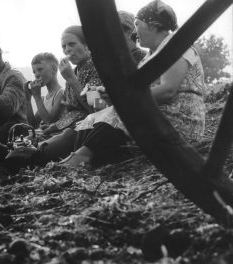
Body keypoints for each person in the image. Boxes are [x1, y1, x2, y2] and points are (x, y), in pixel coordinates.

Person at [43, 0, 206, 168]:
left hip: (180, 118)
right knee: (100, 116)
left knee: (113, 113)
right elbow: (127, 96)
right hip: (157, 114)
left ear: (154, 25)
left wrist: (120, 98)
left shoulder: (176, 46)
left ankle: (81, 156)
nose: (135, 32)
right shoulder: (149, 56)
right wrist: (109, 96)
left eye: (137, 24)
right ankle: (81, 156)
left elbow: (168, 90)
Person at [42, 25, 103, 136]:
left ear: (86, 45)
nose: (67, 49)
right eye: (64, 46)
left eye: (72, 44)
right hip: (68, 128)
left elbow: (96, 108)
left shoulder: (97, 67)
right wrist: (57, 124)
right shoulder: (74, 71)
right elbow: (68, 108)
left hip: (86, 130)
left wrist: (72, 80)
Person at [25, 52, 66, 128]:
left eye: (40, 69)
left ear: (53, 70)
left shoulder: (61, 93)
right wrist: (28, 100)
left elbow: (49, 122)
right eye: (34, 72)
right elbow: (33, 125)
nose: (36, 74)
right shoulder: (44, 98)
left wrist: (37, 97)